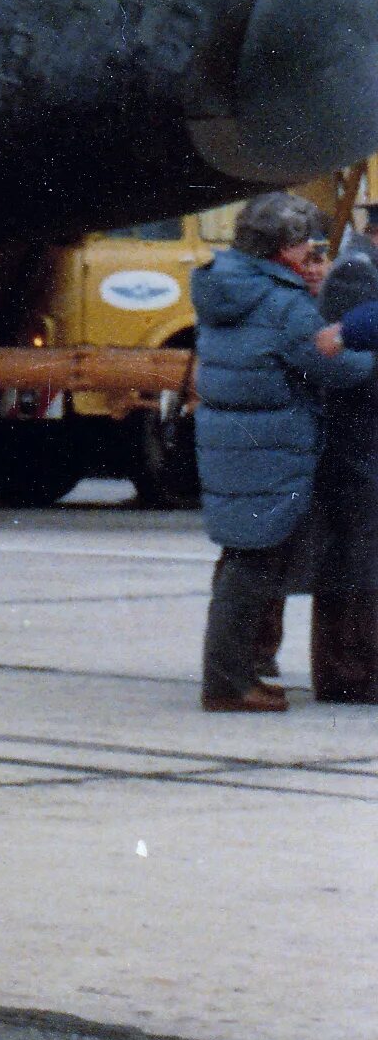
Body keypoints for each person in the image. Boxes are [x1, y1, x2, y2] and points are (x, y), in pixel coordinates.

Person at [190, 192, 367, 713]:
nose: (312, 254)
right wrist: (366, 349)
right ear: (285, 250)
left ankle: (234, 674)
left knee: (244, 559)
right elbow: (337, 367)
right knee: (255, 565)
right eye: (307, 245)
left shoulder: (228, 287)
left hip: (235, 440)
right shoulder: (282, 303)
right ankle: (228, 683)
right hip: (271, 445)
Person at [307, 214, 378, 702]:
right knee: (356, 556)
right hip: (357, 439)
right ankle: (348, 673)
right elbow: (347, 364)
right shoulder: (357, 272)